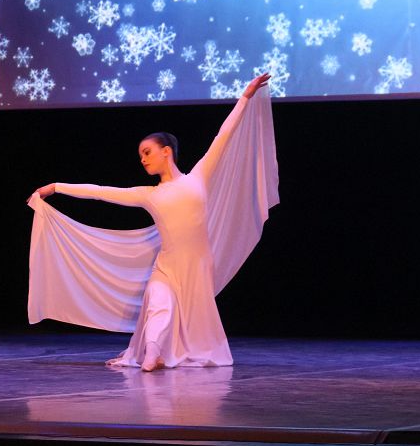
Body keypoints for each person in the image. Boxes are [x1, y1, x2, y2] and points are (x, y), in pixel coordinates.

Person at [28, 73, 278, 371]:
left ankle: (160, 354)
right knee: (159, 304)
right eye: (141, 155)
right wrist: (56, 187)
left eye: (147, 152)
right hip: (167, 266)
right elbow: (101, 192)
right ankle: (152, 354)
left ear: (166, 151)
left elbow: (223, 135)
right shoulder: (149, 195)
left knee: (185, 318)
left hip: (197, 267)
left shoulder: (198, 177)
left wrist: (245, 97)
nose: (143, 159)